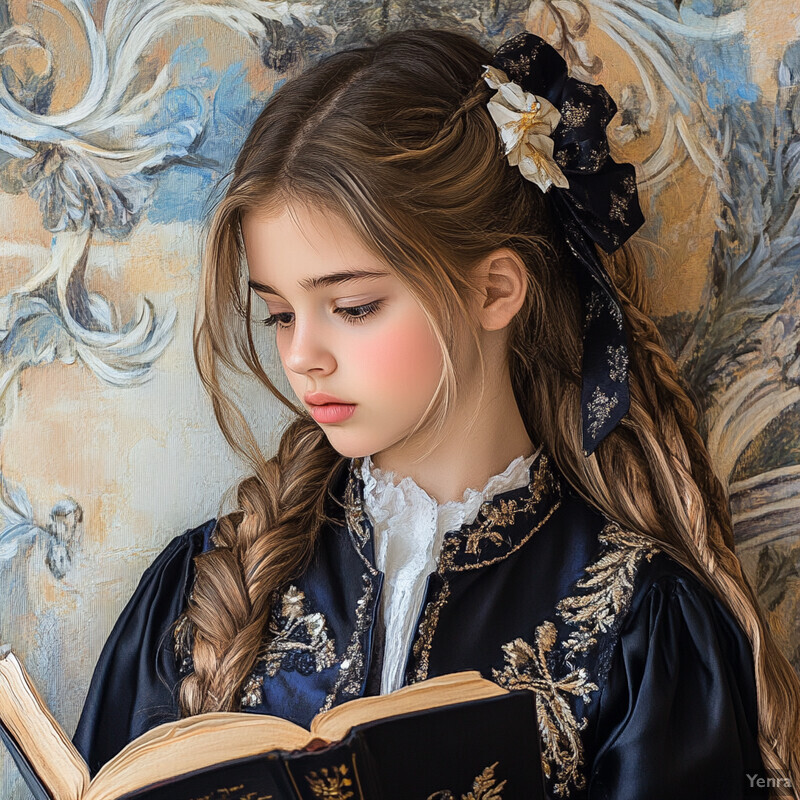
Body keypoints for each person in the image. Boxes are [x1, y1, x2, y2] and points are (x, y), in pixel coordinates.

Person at [70, 27, 800, 799]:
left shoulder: (641, 627)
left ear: (494, 290)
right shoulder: (203, 590)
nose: (300, 356)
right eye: (279, 315)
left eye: (352, 307)